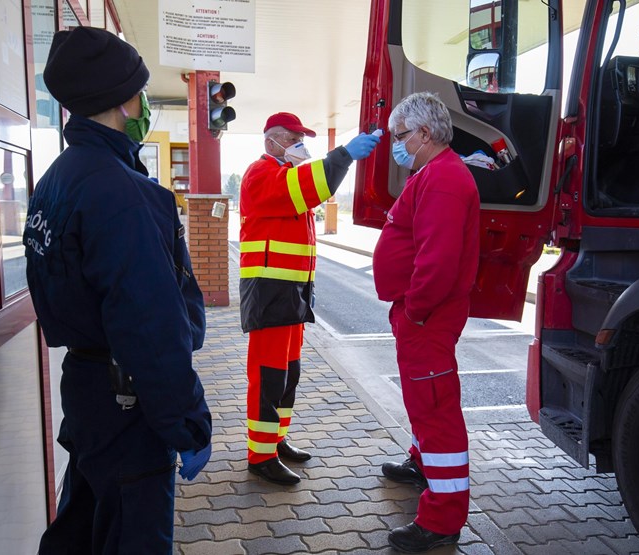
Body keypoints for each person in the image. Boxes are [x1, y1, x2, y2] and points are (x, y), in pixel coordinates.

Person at [24, 27, 212, 554]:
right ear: (124, 100)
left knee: (81, 530)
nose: (144, 102)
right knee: (133, 537)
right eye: (142, 91)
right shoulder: (123, 194)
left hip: (88, 394)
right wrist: (189, 421)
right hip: (128, 403)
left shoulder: (58, 179)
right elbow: (151, 328)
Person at [239, 112, 380, 485]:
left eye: (301, 138)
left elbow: (310, 188)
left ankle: (277, 439)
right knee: (268, 375)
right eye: (292, 138)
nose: (299, 144)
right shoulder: (262, 173)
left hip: (291, 291)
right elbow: (313, 183)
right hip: (270, 290)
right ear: (271, 141)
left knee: (288, 374)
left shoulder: (282, 174)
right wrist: (344, 154)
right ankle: (260, 455)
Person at [372, 92, 480, 553]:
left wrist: (413, 311)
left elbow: (437, 262)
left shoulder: (441, 179)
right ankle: (423, 464)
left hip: (427, 320)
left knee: (436, 413)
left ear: (424, 134)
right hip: (421, 318)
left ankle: (442, 518)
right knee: (423, 404)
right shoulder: (434, 174)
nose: (397, 145)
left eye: (401, 136)